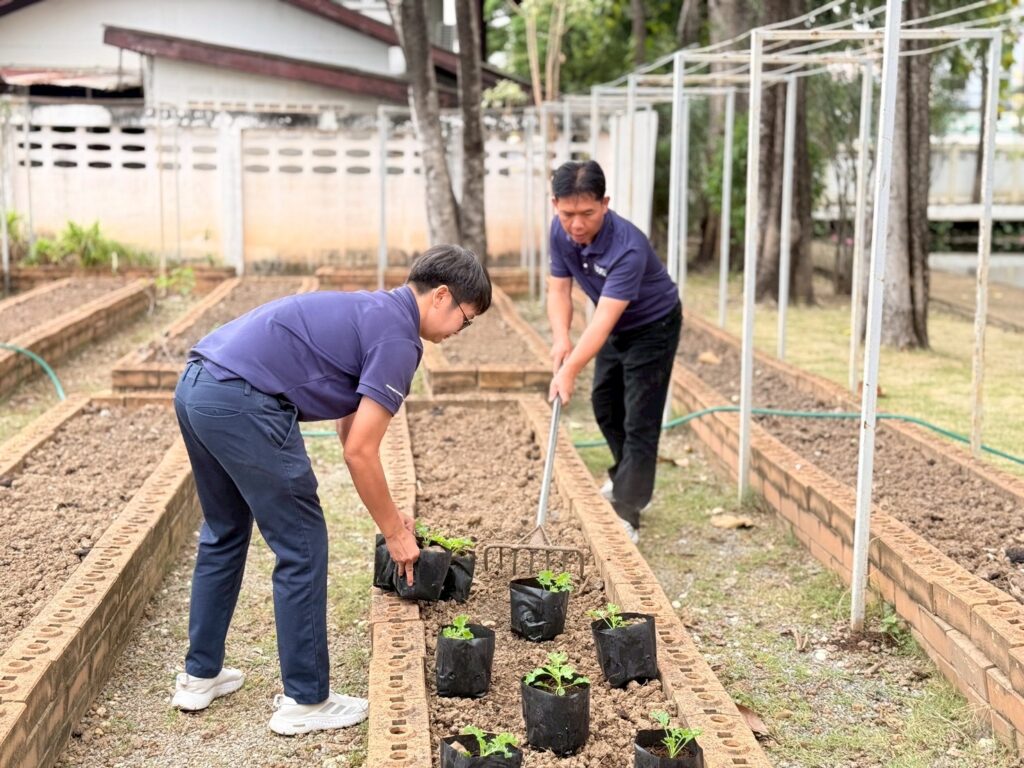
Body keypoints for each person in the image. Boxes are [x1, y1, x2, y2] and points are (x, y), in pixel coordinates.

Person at [170, 245, 491, 735]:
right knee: (301, 544)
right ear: (441, 296)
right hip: (243, 401)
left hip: (197, 385)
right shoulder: (401, 340)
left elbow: (351, 430)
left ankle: (200, 676)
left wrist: (390, 512)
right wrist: (395, 533)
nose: (458, 332)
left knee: (225, 530)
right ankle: (306, 700)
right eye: (464, 320)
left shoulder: (374, 311)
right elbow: (360, 452)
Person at [546, 160, 681, 544]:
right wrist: (561, 338)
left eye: (587, 214)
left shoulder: (627, 247)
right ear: (555, 204)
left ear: (605, 204)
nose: (576, 224)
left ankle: (628, 510)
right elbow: (558, 289)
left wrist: (569, 369)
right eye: (567, 213)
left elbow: (603, 319)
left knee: (640, 418)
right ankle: (627, 478)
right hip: (617, 327)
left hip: (653, 327)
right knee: (605, 404)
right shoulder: (559, 231)